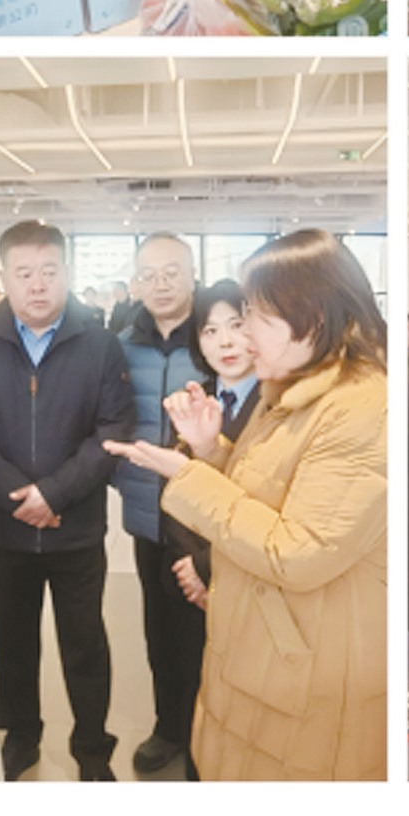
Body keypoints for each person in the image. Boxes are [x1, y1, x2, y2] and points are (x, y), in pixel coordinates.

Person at [105, 230, 386, 780]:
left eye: (255, 315)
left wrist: (189, 476)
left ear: (312, 315)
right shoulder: (292, 390)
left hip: (310, 662)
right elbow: (264, 489)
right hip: (263, 640)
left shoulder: (361, 408)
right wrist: (211, 451)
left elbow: (298, 550)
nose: (244, 333)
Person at [0, 221, 134, 781]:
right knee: (11, 640)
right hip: (7, 529)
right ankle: (21, 735)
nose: (37, 285)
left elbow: (113, 428)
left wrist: (54, 493)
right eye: (23, 273)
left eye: (49, 271)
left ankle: (92, 749)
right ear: (3, 277)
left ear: (66, 273)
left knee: (85, 643)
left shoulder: (98, 344)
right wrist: (16, 496)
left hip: (76, 528)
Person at [110, 231, 209, 775]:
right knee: (159, 631)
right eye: (149, 274)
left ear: (192, 275)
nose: (161, 284)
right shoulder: (123, 345)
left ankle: (205, 736)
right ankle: (168, 725)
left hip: (204, 520)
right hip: (146, 514)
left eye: (172, 272)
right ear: (136, 282)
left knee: (204, 635)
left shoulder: (214, 339)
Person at [155, 280, 262, 771]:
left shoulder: (278, 408)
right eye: (211, 330)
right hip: (188, 579)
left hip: (246, 578)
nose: (225, 342)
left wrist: (208, 566)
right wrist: (187, 564)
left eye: (237, 325)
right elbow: (175, 490)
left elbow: (263, 506)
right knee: (191, 677)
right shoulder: (189, 401)